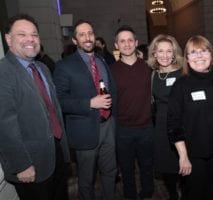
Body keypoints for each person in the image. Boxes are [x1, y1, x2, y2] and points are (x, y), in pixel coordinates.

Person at [0, 14, 70, 200]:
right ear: (8, 39)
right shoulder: (3, 71)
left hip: (56, 154)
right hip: (30, 163)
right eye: (22, 34)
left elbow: (52, 110)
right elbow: (5, 125)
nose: (30, 39)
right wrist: (21, 164)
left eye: (34, 34)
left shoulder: (42, 68)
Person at [53, 20, 117, 200]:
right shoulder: (64, 66)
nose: (87, 38)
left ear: (94, 37)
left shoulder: (102, 61)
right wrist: (89, 103)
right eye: (82, 34)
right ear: (75, 40)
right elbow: (60, 100)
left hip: (108, 127)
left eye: (90, 33)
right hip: (85, 131)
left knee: (110, 172)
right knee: (87, 179)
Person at [167, 35, 213, 200]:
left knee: (211, 193)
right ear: (187, 59)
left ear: (211, 54)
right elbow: (174, 123)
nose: (199, 56)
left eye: (203, 51)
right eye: (193, 52)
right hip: (193, 154)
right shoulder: (180, 85)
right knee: (194, 194)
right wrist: (183, 156)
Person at [110, 25, 154, 200]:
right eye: (122, 41)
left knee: (147, 166)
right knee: (126, 168)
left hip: (147, 127)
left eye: (130, 40)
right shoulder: (110, 71)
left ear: (136, 43)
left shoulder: (149, 68)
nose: (126, 44)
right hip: (123, 130)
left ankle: (148, 194)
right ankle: (130, 195)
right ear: (116, 45)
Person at [147, 34, 184, 200]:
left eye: (169, 51)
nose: (165, 55)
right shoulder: (153, 75)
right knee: (167, 166)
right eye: (160, 51)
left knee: (183, 165)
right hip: (161, 127)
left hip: (181, 126)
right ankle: (173, 195)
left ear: (174, 53)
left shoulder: (182, 74)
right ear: (154, 53)